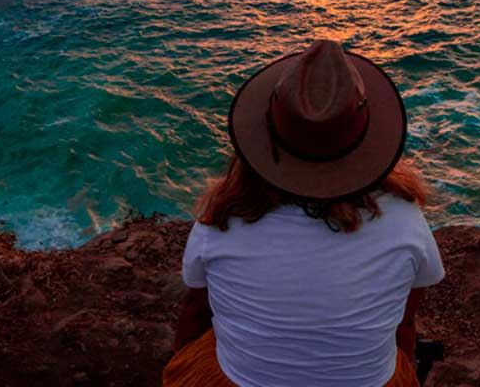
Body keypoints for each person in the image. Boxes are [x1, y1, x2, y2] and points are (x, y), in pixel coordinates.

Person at [162, 39, 445, 387]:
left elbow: (197, 309)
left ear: (266, 138)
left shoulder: (223, 217)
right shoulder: (405, 220)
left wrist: (182, 359)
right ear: (364, 142)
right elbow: (403, 321)